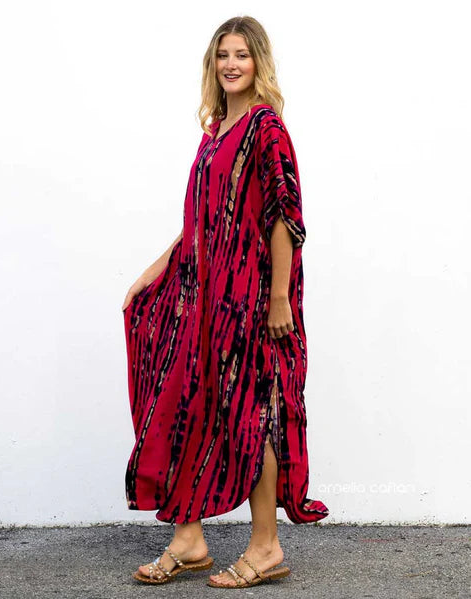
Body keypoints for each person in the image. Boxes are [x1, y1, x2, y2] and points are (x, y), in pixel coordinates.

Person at [121, 15, 329, 588]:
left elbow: (285, 217)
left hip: (251, 295)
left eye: (242, 54)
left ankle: (265, 547)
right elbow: (201, 219)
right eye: (222, 55)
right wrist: (152, 272)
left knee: (255, 410)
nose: (231, 64)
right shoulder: (215, 129)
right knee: (188, 399)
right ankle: (189, 539)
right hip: (203, 294)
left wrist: (280, 298)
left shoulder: (266, 127)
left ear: (259, 61)